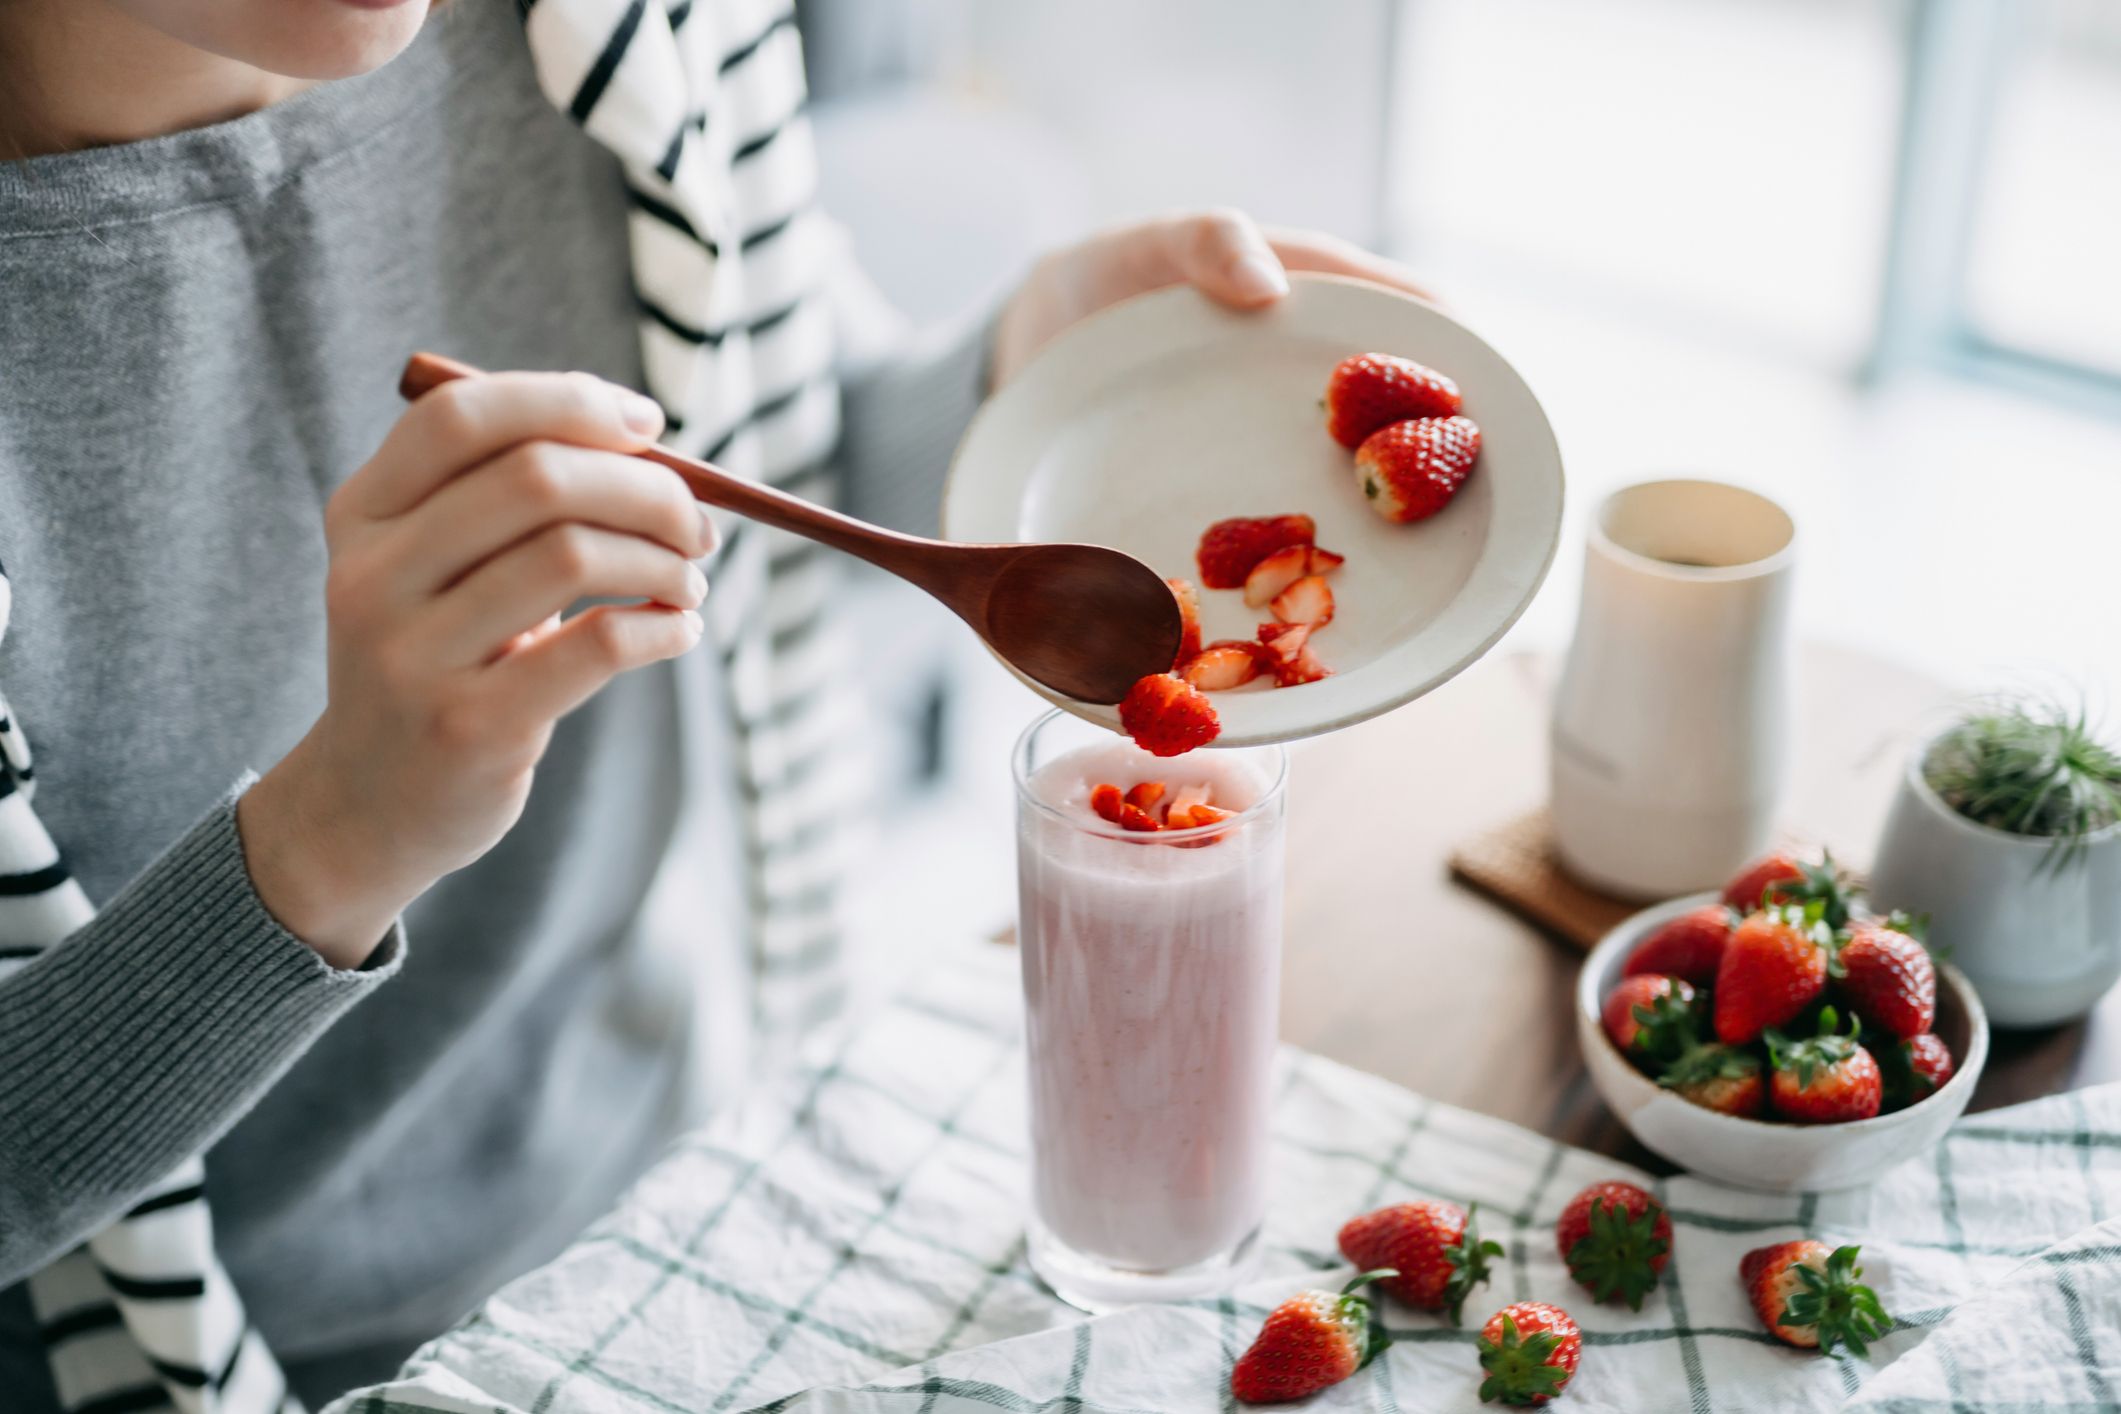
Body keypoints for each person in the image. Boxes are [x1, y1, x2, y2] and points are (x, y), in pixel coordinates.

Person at [0, 0, 1432, 1406]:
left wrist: (1006, 377)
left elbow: (752, 439)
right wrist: (331, 838)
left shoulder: (623, 28)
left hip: (691, 1179)